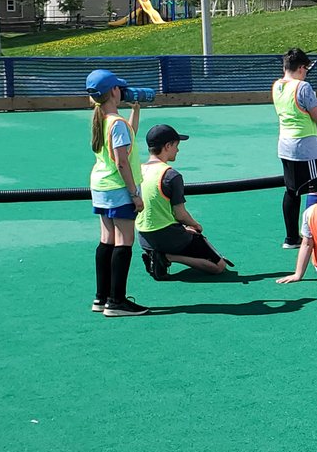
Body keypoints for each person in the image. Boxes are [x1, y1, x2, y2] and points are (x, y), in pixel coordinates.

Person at [86, 69, 147, 317]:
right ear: (113, 91)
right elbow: (122, 161)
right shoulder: (116, 124)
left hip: (100, 186)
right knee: (124, 241)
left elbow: (126, 138)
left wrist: (135, 111)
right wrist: (134, 193)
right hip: (118, 188)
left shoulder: (103, 119)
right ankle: (117, 301)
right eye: (119, 88)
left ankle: (101, 297)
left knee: (106, 239)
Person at [136, 124, 228, 279]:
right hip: (170, 237)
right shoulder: (171, 175)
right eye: (176, 145)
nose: (178, 150)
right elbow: (180, 214)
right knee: (219, 266)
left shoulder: (137, 170)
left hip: (144, 238)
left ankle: (157, 255)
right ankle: (167, 257)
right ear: (168, 146)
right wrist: (194, 225)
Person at [272, 47, 317, 249]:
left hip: (285, 145)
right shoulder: (302, 87)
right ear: (301, 68)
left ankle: (291, 238)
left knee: (292, 190)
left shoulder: (277, 86)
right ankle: (312, 236)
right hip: (306, 146)